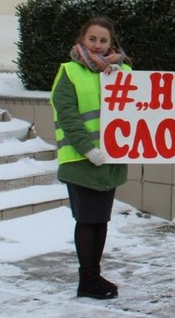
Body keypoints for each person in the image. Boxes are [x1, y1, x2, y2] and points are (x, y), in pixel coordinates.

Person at [50, 17, 131, 299]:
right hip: (80, 160)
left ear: (111, 43)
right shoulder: (69, 72)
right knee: (87, 220)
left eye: (103, 40)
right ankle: (87, 280)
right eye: (92, 39)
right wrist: (87, 149)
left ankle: (94, 275)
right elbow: (68, 115)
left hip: (110, 160)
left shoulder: (123, 72)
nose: (97, 45)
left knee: (100, 220)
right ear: (82, 40)